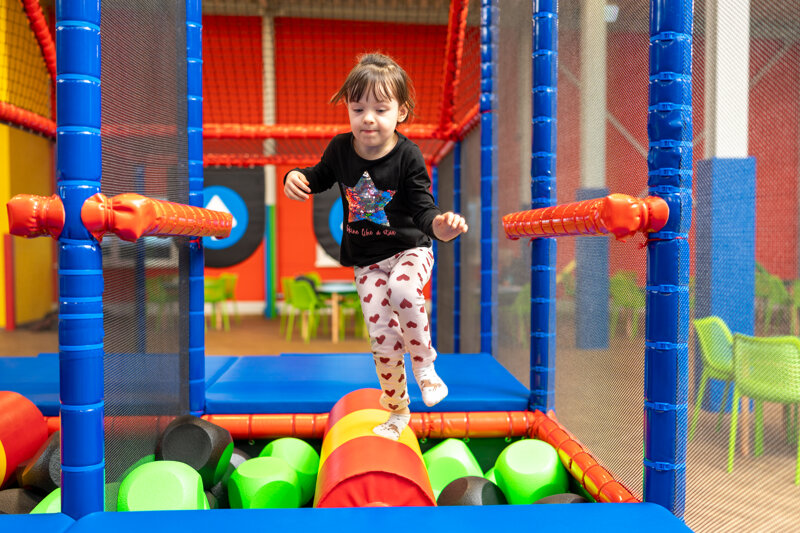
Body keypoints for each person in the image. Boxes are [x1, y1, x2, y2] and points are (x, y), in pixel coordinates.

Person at [284, 52, 468, 440]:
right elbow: (316, 177)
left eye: (380, 109)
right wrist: (293, 177)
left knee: (403, 290)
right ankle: (398, 411)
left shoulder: (408, 155)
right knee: (380, 332)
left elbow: (422, 208)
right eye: (358, 108)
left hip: (410, 249)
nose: (368, 118)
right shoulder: (339, 150)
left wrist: (440, 227)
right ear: (348, 110)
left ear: (400, 112)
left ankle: (425, 366)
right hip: (367, 261)